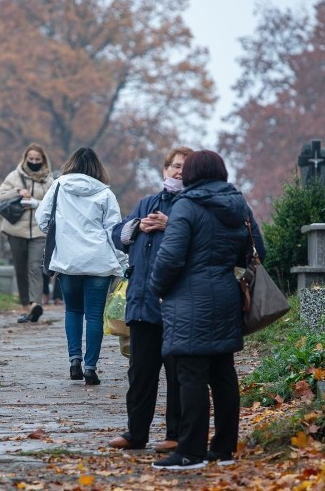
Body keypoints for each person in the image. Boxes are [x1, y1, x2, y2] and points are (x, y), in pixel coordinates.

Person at [149, 150, 265, 470]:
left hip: (189, 299)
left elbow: (171, 256)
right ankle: (224, 448)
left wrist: (156, 288)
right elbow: (257, 251)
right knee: (223, 374)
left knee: (191, 376)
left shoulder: (186, 205)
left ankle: (190, 451)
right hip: (226, 295)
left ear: (192, 174)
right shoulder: (238, 204)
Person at [107, 146, 193, 454]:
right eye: (174, 166)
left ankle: (176, 434)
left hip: (177, 306)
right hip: (142, 304)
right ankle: (136, 433)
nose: (178, 171)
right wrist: (136, 226)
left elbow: (204, 239)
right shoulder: (147, 202)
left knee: (178, 375)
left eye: (184, 167)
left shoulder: (194, 204)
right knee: (140, 374)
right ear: (165, 170)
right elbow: (117, 235)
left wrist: (171, 226)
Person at [36, 147, 126, 386]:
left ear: (71, 164)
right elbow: (114, 231)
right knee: (94, 316)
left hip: (68, 262)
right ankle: (90, 367)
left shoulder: (58, 186)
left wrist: (61, 235)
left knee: (73, 311)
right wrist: (123, 263)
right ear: (97, 168)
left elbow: (42, 218)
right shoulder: (106, 194)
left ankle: (74, 359)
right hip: (99, 262)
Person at [0, 143, 54, 323]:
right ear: (25, 159)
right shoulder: (14, 176)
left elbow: (55, 202)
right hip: (16, 229)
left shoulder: (49, 181)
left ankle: (35, 304)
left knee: (35, 266)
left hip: (39, 230)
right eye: (31, 159)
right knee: (20, 269)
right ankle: (24, 307)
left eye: (38, 159)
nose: (34, 162)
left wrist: (36, 203)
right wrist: (17, 192)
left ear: (43, 160)